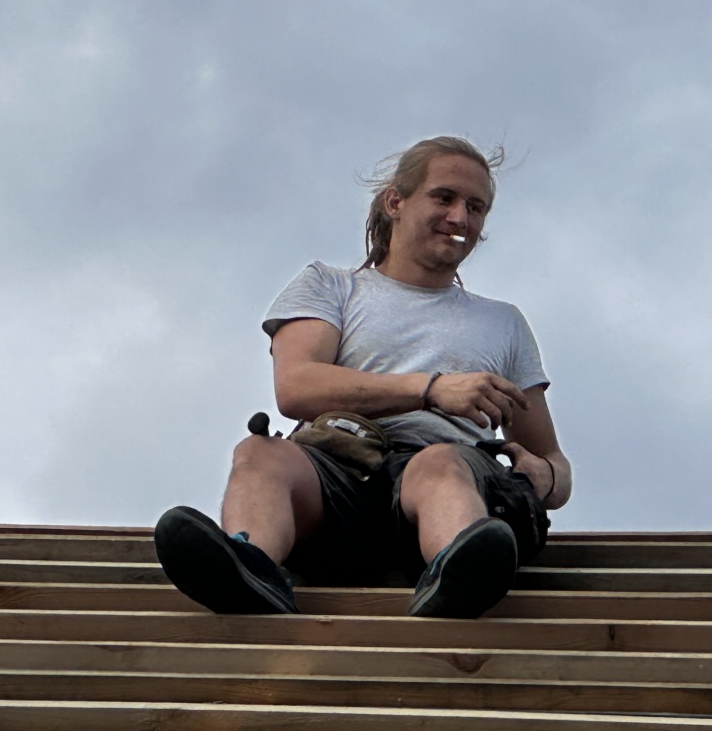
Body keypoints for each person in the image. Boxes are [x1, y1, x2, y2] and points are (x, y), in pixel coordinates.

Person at [155, 136, 571, 618]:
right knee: (259, 452)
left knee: (439, 463)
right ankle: (251, 567)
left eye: (475, 207)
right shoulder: (330, 286)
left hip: (443, 484)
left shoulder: (504, 322)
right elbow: (296, 387)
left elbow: (552, 462)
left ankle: (457, 573)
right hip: (338, 485)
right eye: (444, 197)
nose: (460, 217)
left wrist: (547, 477)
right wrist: (431, 390)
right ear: (396, 202)